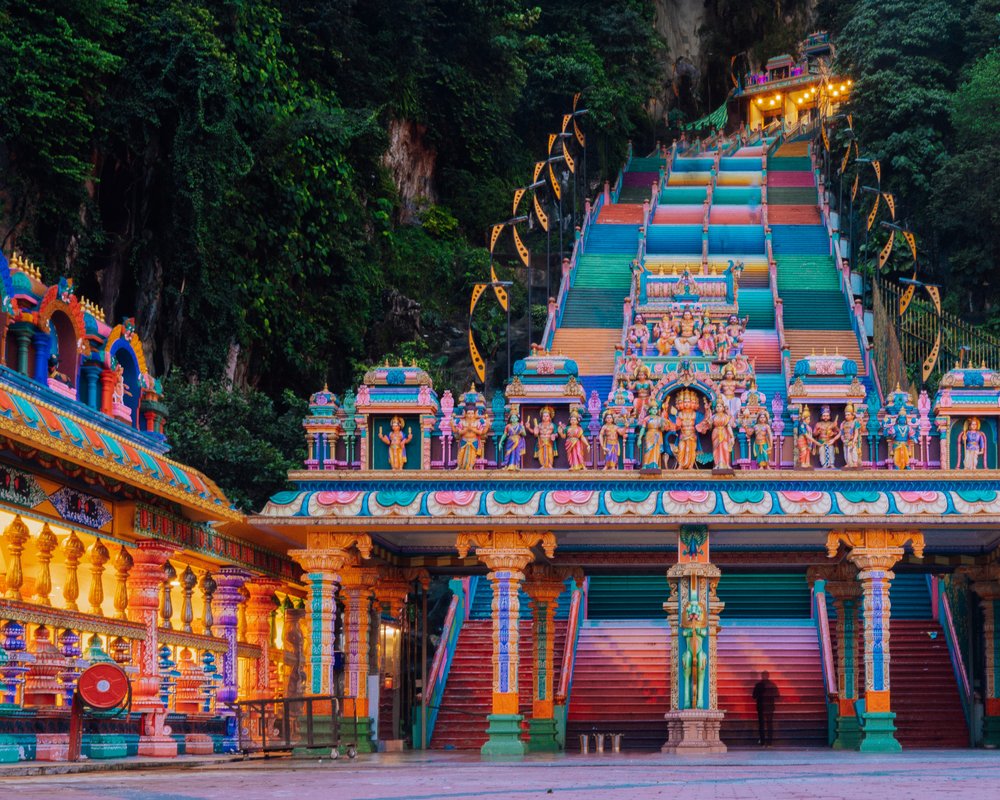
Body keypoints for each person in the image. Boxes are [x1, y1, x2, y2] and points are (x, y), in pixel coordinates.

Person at [752, 671, 780, 747]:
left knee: (762, 725)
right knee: (769, 724)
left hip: (761, 707)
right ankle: (769, 743)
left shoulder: (758, 685)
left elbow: (754, 696)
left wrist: (761, 694)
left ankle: (763, 743)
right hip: (769, 707)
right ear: (768, 676)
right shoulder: (772, 684)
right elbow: (777, 695)